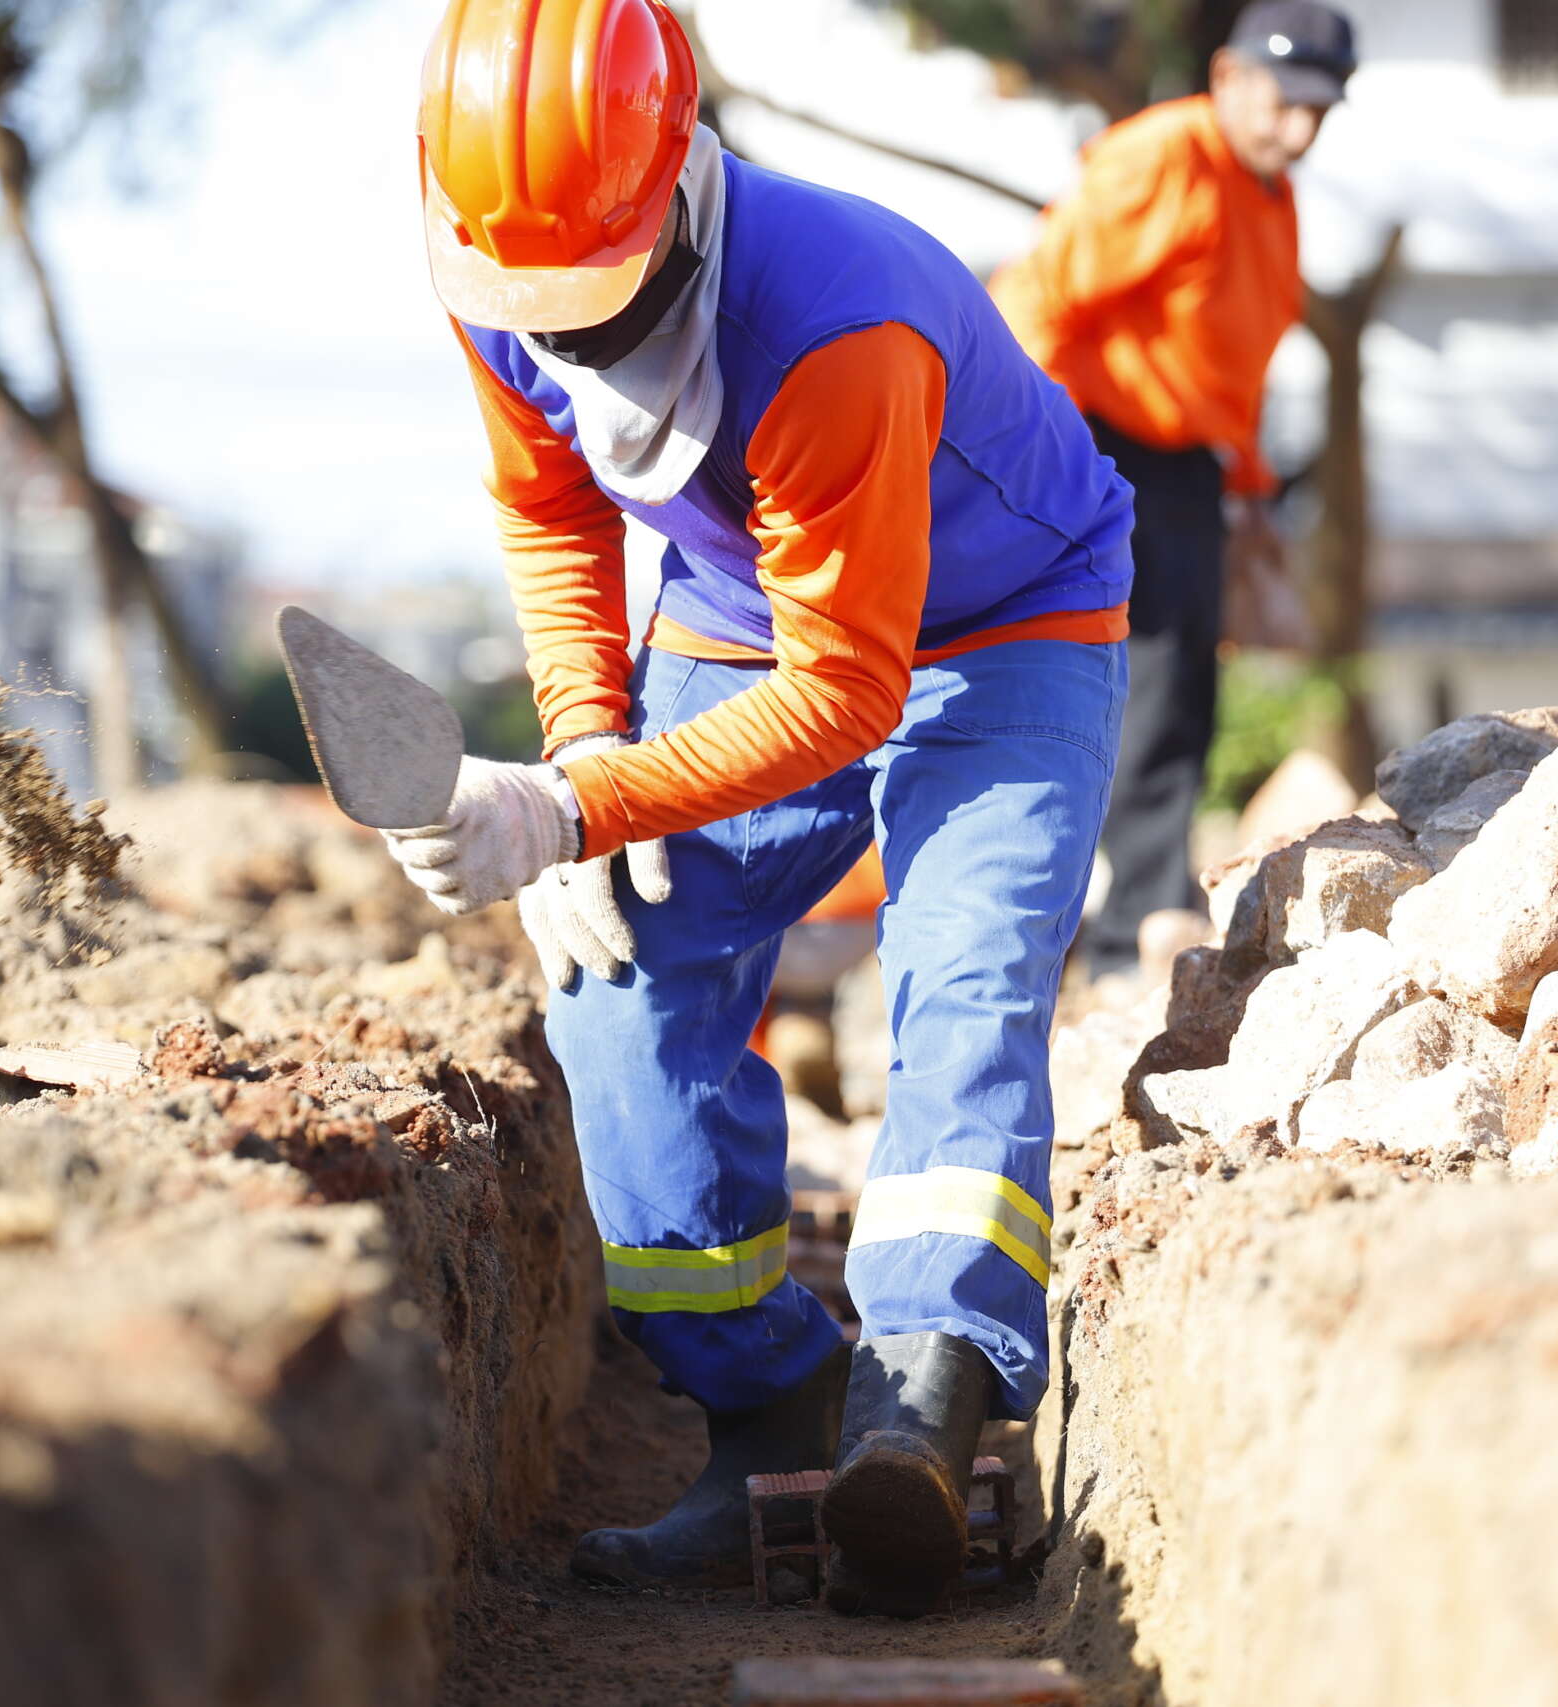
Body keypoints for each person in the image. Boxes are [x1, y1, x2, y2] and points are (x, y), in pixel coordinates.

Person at [396, 0, 1134, 1617]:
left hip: (1003, 619)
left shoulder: (834, 318)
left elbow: (850, 692)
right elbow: (550, 511)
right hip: (748, 603)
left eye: (586, 298)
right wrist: (584, 740)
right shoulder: (501, 250)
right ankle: (765, 1409)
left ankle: (924, 1400)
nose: (558, 334)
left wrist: (580, 799)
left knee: (963, 967)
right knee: (619, 986)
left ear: (671, 187)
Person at [993, 0, 1355, 978]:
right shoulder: (1162, 156)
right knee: (1129, 679)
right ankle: (1118, 927)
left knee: (1184, 681)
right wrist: (1021, 453)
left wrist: (1248, 497)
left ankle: (1137, 913)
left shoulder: (1270, 199)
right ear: (1230, 77)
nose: (1299, 130)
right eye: (1285, 103)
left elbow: (1233, 370)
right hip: (1092, 442)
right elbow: (1042, 293)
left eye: (1318, 112)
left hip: (1192, 467)